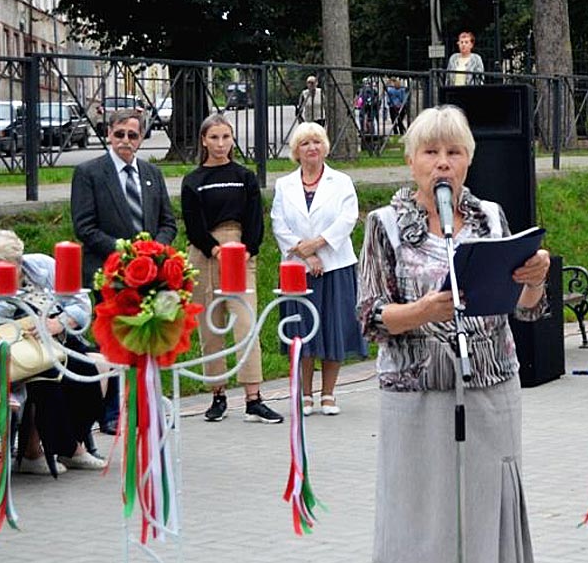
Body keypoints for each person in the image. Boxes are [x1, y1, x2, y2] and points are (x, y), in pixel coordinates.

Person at [357, 105, 551, 563]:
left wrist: (535, 278)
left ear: (469, 160)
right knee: (431, 507)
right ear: (412, 161)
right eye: (431, 154)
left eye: (454, 153)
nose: (443, 164)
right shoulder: (384, 225)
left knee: (497, 506)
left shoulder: (492, 216)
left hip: (491, 378)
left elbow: (527, 309)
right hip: (418, 385)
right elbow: (368, 318)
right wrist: (421, 311)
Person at [0, 229, 105, 475]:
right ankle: (59, 449)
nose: (7, 273)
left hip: (51, 342)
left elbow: (80, 304)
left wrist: (59, 323)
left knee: (89, 369)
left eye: (14, 267)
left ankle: (70, 443)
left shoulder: (42, 267)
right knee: (47, 378)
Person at [70, 107, 176, 434]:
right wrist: (125, 252)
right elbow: (84, 227)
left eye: (133, 135)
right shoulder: (89, 173)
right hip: (109, 273)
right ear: (108, 135)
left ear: (142, 138)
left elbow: (167, 223)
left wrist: (153, 252)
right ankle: (112, 412)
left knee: (147, 341)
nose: (125, 141)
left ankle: (148, 406)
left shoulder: (151, 174)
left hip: (149, 275)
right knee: (114, 344)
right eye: (119, 134)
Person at [181, 114, 283, 425]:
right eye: (214, 138)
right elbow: (193, 222)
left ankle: (253, 397)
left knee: (245, 322)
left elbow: (255, 218)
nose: (221, 144)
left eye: (226, 137)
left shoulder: (244, 176)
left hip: (239, 248)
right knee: (211, 326)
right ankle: (217, 394)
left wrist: (246, 250)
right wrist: (214, 249)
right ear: (204, 140)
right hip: (205, 252)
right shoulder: (193, 180)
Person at [270, 122, 368, 416]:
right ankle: (306, 394)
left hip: (335, 265)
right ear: (296, 152)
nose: (312, 148)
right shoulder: (284, 184)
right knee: (301, 330)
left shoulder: (342, 182)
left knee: (332, 325)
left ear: (325, 147)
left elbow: (347, 219)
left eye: (317, 142)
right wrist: (305, 252)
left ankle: (328, 393)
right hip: (297, 269)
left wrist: (318, 247)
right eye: (305, 143)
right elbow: (278, 223)